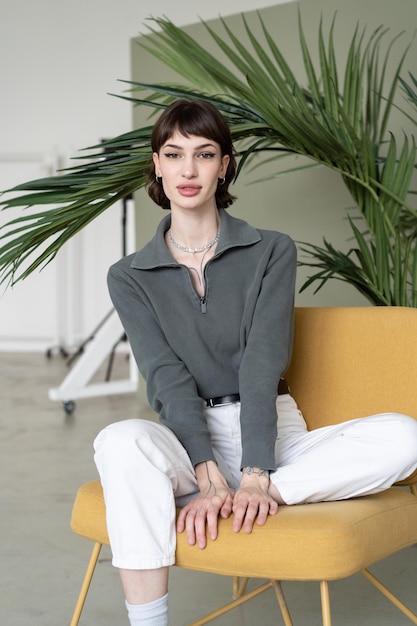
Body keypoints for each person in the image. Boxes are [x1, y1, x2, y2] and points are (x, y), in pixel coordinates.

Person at [94, 99, 417, 626]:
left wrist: (254, 475)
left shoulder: (271, 250)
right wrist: (204, 468)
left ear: (225, 165)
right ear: (157, 164)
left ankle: (259, 496)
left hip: (273, 432)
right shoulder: (129, 275)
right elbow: (166, 376)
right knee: (119, 441)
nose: (188, 169)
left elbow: (261, 364)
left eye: (205, 153)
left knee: (407, 437)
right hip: (186, 436)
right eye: (174, 154)